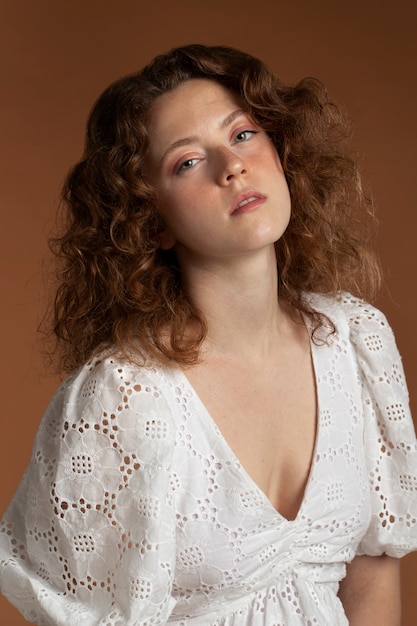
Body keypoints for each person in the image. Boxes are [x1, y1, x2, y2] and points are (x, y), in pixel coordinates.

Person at [0, 44, 416, 626]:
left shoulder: (355, 341)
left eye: (243, 134)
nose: (232, 166)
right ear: (152, 221)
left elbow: (374, 576)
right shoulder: (121, 399)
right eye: (187, 162)